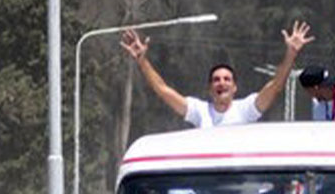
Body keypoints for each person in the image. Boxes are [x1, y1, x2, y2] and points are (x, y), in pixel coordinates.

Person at [121, 20, 313, 129]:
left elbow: (275, 87)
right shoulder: (199, 111)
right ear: (209, 88)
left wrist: (291, 54)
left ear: (235, 87)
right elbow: (164, 91)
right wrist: (142, 61)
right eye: (216, 80)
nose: (221, 83)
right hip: (207, 192)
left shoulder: (245, 110)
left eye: (227, 79)